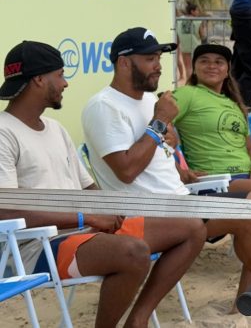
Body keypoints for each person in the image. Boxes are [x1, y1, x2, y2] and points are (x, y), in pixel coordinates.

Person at [81, 27, 251, 308]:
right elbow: (125, 170)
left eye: (159, 59)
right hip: (149, 211)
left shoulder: (150, 101)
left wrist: (178, 164)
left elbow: (159, 151)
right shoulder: (104, 106)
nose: (158, 67)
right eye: (150, 59)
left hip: (181, 200)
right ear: (124, 62)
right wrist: (159, 124)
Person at [0, 41, 206, 328]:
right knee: (134, 252)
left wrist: (115, 211)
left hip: (82, 232)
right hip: (35, 249)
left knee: (192, 227)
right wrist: (86, 216)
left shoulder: (56, 129)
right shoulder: (4, 132)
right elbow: (7, 212)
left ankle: (138, 319)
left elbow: (88, 191)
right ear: (38, 79)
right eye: (60, 75)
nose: (66, 83)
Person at [173, 44, 251, 201]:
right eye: (204, 61)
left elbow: (250, 148)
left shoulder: (234, 104)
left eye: (219, 62)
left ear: (227, 71)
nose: (211, 66)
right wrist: (179, 170)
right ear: (194, 68)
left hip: (249, 175)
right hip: (218, 180)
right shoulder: (186, 94)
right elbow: (158, 128)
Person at [176, 1, 207, 83]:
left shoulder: (179, 20)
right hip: (196, 46)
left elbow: (178, 34)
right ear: (192, 11)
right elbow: (202, 35)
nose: (198, 12)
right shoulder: (198, 20)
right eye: (197, 10)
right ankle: (195, 83)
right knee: (196, 67)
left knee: (188, 67)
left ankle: (188, 83)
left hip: (185, 46)